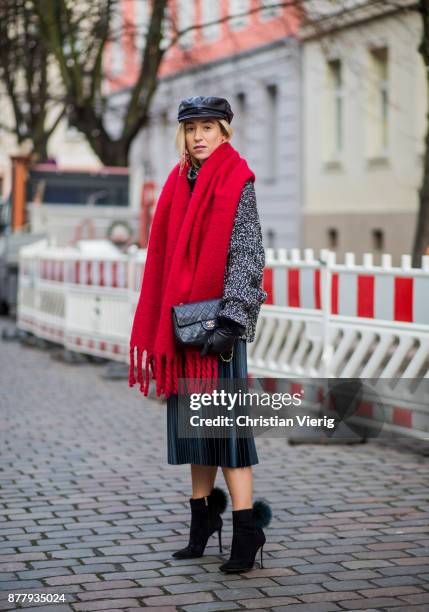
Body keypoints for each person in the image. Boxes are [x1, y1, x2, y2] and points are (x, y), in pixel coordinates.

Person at [129, 96, 271, 573]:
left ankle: (247, 533)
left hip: (221, 328)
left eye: (208, 127)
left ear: (224, 131)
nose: (198, 136)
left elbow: (248, 255)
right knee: (196, 431)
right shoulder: (176, 183)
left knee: (227, 434)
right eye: (191, 128)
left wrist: (232, 320)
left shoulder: (237, 180)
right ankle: (203, 523)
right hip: (185, 326)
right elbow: (164, 256)